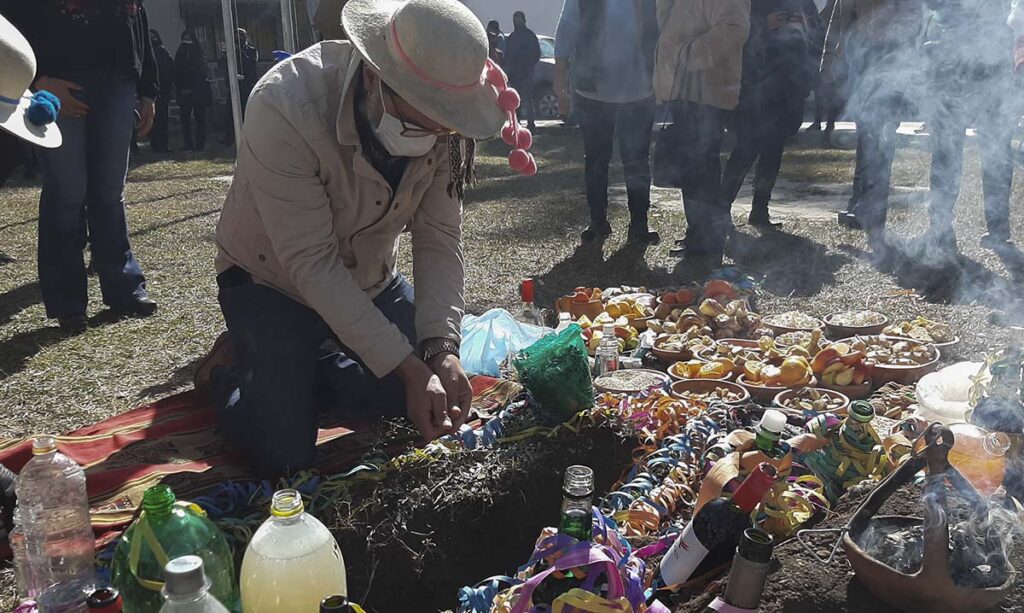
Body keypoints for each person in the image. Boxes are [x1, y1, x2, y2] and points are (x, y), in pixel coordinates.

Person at [193, 0, 506, 477]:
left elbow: (438, 237)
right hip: (271, 281)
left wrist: (440, 349)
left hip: (369, 276)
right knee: (282, 456)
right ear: (374, 78)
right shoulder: (284, 105)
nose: (433, 135)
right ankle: (231, 372)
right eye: (421, 119)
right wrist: (407, 366)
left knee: (408, 402)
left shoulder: (446, 130)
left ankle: (312, 364)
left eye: (443, 123)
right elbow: (311, 264)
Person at [3, 0, 158, 334]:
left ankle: (125, 288)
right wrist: (37, 78)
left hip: (119, 78)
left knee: (109, 191)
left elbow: (137, 14)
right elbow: (9, 19)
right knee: (67, 191)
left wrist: (148, 88)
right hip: (57, 80)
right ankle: (68, 302)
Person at [554, 0, 660, 245]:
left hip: (639, 91)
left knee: (637, 162)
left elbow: (664, 29)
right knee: (596, 161)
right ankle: (597, 221)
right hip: (593, 92)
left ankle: (639, 224)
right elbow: (567, 27)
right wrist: (559, 77)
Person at [655, 0, 751, 256]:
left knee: (702, 169)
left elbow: (735, 26)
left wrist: (687, 56)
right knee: (692, 169)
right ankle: (698, 234)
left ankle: (709, 238)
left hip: (705, 94)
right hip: (687, 92)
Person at [920, 0, 1015, 254]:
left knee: (977, 150)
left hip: (980, 62)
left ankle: (950, 228)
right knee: (959, 149)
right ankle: (946, 227)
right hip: (971, 63)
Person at [720, 0, 823, 228]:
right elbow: (734, 31)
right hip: (756, 86)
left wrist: (803, 24)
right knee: (745, 149)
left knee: (773, 152)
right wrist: (763, 25)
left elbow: (817, 30)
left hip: (789, 87)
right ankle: (722, 209)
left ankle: (760, 209)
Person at [835, 0, 923, 260]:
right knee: (866, 141)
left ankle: (876, 222)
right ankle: (860, 207)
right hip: (862, 63)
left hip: (892, 65)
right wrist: (834, 54)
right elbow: (839, 15)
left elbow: (911, 21)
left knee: (882, 145)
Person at [806, 0, 848, 138]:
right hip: (822, 47)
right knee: (821, 88)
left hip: (840, 51)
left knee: (835, 90)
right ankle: (818, 121)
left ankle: (830, 123)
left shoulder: (836, 4)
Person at [220, 28, 259, 147]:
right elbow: (222, 64)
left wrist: (239, 51)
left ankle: (249, 138)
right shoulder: (231, 51)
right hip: (234, 85)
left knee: (246, 113)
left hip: (247, 85)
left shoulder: (251, 50)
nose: (239, 38)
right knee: (230, 114)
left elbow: (250, 64)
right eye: (237, 36)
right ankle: (229, 138)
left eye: (241, 36)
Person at [175, 31, 212, 152]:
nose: (186, 41)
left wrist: (193, 88)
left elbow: (201, 72)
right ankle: (188, 143)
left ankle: (199, 144)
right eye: (184, 38)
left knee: (200, 119)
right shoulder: (180, 52)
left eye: (188, 38)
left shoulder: (198, 53)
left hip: (197, 92)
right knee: (185, 120)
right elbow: (178, 72)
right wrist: (182, 88)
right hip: (184, 92)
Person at [504, 11, 541, 130]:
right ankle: (516, 122)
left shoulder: (530, 36)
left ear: (524, 20)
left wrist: (528, 66)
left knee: (526, 98)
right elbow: (508, 55)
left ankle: (531, 123)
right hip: (515, 74)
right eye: (515, 19)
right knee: (515, 100)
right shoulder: (512, 37)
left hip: (527, 73)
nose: (517, 22)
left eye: (519, 19)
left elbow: (536, 54)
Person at [149, 29, 175, 153]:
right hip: (151, 92)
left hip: (163, 91)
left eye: (154, 36)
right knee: (152, 120)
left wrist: (167, 87)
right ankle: (155, 144)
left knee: (162, 120)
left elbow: (171, 70)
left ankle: (164, 144)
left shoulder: (163, 52)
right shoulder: (147, 52)